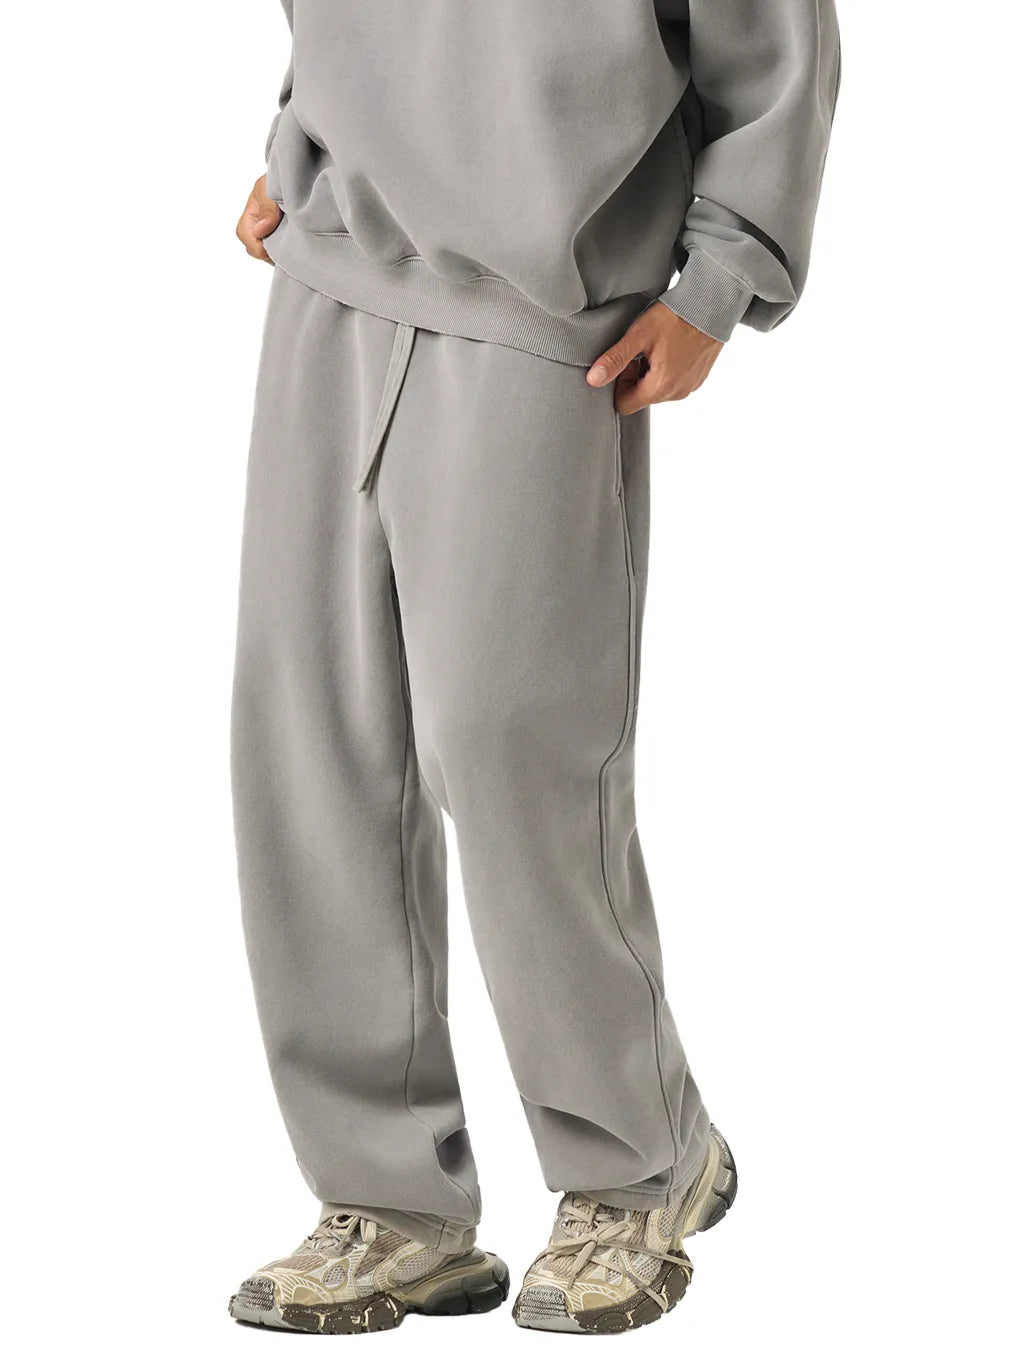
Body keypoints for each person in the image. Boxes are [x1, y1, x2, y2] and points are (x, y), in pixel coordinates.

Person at [228, 0, 839, 1337]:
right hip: (332, 266)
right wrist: (298, 132)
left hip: (549, 296)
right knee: (312, 739)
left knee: (514, 748)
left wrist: (719, 281)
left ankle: (639, 1164)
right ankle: (389, 1201)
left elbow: (772, 42)